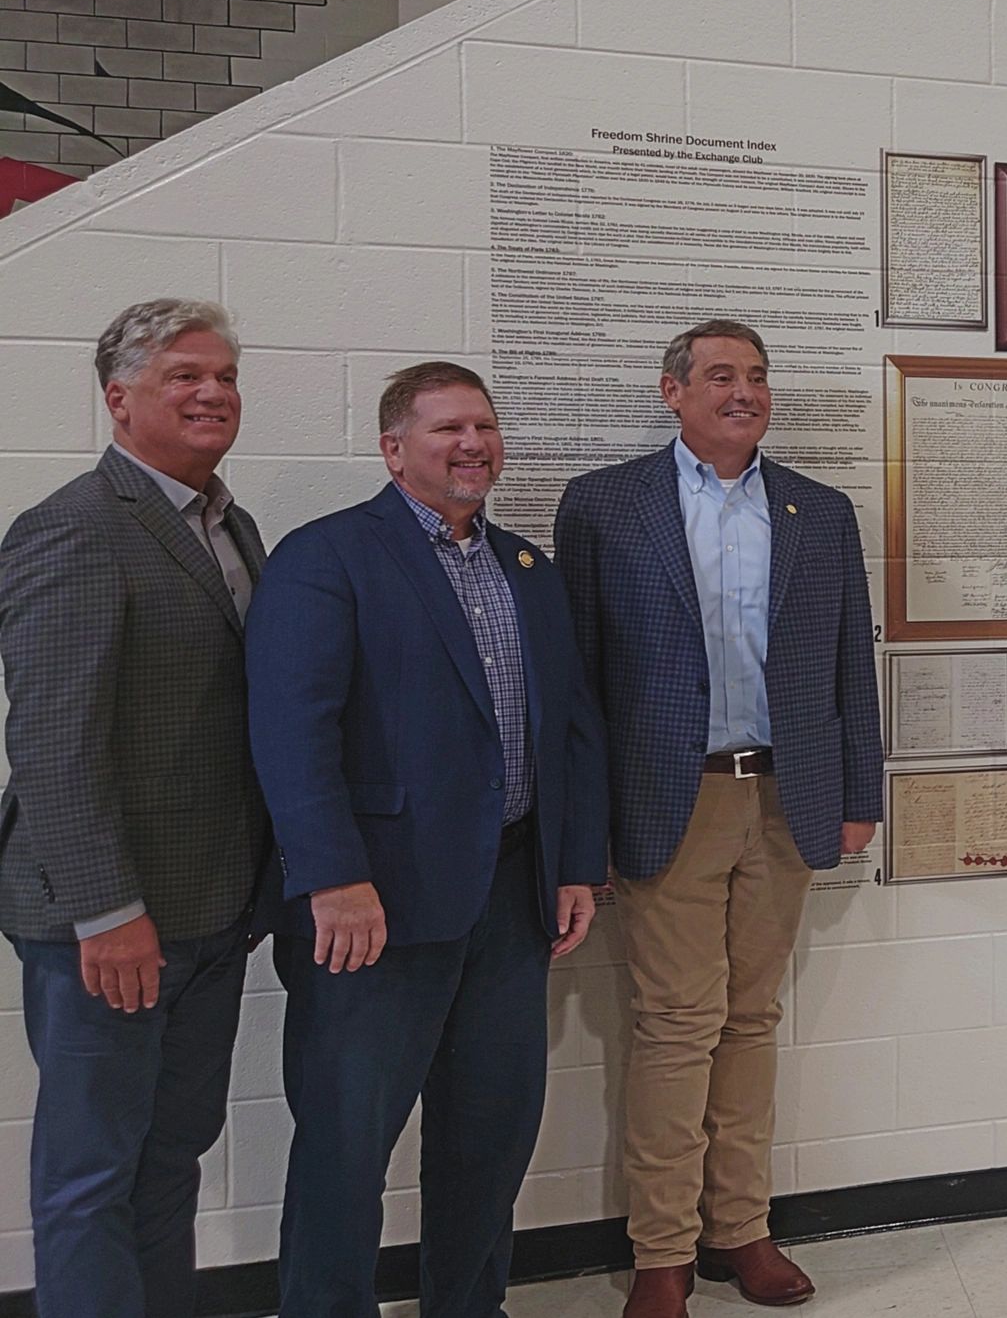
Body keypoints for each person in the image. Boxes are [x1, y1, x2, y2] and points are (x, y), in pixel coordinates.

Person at [246, 363, 605, 1317]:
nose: (472, 444)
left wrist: (575, 866)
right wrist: (331, 876)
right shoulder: (327, 556)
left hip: (512, 896)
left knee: (489, 1138)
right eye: (446, 427)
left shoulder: (527, 567)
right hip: (373, 907)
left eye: (483, 426)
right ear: (392, 447)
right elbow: (291, 729)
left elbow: (570, 723)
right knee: (345, 1144)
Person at [554, 320, 884, 1317]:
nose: (742, 391)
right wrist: (583, 822)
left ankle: (741, 1229)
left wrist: (861, 794)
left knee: (752, 1018)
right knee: (675, 1025)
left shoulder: (819, 512)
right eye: (719, 375)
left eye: (755, 376)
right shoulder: (607, 505)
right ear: (673, 392)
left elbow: (847, 667)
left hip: (786, 795)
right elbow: (574, 681)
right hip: (668, 798)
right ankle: (662, 1248)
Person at [0, 300, 269, 1318]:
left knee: (172, 1158)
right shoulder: (73, 527)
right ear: (118, 400)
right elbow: (54, 747)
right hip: (106, 925)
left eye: (225, 377)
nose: (213, 394)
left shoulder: (225, 521)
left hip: (207, 910)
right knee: (90, 1174)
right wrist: (106, 911)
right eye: (183, 377)